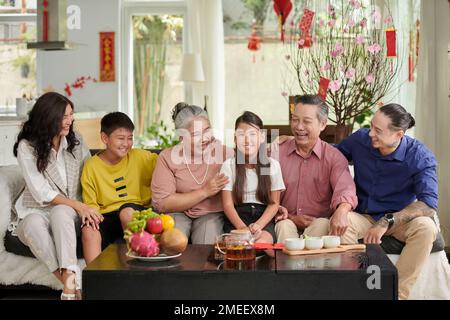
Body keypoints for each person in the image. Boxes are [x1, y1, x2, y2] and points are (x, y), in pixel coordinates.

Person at [336, 104, 439, 300]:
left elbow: (428, 204)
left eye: (378, 131)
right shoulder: (360, 139)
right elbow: (333, 155)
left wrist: (387, 221)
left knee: (427, 228)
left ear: (398, 134)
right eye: (371, 126)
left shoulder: (419, 155)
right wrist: (297, 142)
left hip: (399, 220)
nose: (370, 133)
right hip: (364, 215)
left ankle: (394, 295)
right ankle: (352, 293)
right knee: (342, 222)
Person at [13, 92, 102, 300]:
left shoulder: (76, 141)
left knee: (61, 211)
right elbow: (41, 191)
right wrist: (79, 207)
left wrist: (85, 206)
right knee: (32, 225)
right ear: (47, 117)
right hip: (36, 208)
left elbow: (90, 172)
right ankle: (71, 286)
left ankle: (70, 288)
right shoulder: (28, 147)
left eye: (71, 115)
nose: (69, 121)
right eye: (64, 116)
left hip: (69, 210)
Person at [274, 94, 358, 242]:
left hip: (318, 225)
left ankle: (309, 265)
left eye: (306, 121)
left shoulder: (334, 157)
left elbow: (346, 189)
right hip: (284, 220)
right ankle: (288, 265)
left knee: (322, 223)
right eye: (295, 120)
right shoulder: (276, 152)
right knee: (284, 225)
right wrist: (290, 217)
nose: (299, 127)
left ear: (323, 124)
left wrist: (342, 210)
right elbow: (260, 192)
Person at [80, 112, 158, 264]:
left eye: (130, 138)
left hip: (135, 211)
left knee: (126, 212)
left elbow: (167, 163)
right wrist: (92, 219)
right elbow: (91, 205)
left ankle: (137, 270)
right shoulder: (91, 166)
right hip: (106, 216)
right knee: (89, 227)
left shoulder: (141, 157)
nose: (126, 143)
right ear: (105, 138)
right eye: (121, 138)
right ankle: (95, 279)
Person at [151, 103, 233, 244]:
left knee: (206, 243)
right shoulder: (167, 157)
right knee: (173, 241)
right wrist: (205, 191)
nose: (205, 139)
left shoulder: (226, 154)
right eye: (196, 134)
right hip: (177, 212)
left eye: (207, 131)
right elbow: (162, 203)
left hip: (211, 213)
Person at [220, 111, 285, 256]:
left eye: (252, 134)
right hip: (237, 218)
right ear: (235, 139)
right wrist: (242, 228)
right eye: (242, 135)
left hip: (263, 219)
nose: (247, 140)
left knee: (262, 244)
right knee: (239, 245)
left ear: (262, 137)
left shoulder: (272, 165)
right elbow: (228, 205)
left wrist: (258, 226)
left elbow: (274, 204)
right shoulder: (228, 166)